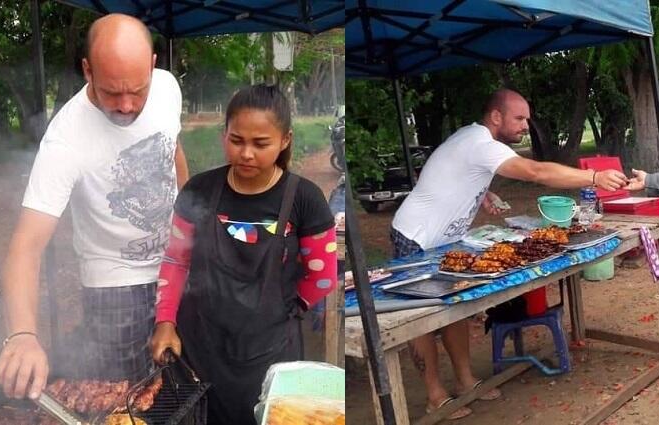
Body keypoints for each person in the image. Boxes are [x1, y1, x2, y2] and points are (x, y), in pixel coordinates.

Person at [390, 88, 628, 419]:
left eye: (527, 120)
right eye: (519, 119)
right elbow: (536, 172)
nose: (524, 126)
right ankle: (434, 394)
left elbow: (454, 167)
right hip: (415, 237)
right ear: (496, 117)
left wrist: (481, 190)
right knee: (422, 322)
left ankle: (465, 381)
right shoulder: (479, 142)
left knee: (457, 307)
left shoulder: (472, 139)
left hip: (445, 242)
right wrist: (593, 176)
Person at [0, 14, 189, 400]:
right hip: (114, 282)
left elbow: (174, 151)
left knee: (183, 382)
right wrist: (22, 334)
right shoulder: (65, 139)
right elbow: (26, 246)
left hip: (176, 264)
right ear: (87, 70)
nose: (126, 105)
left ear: (152, 66)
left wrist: (191, 227)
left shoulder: (167, 88)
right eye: (111, 92)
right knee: (121, 398)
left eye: (137, 90)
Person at [149, 84, 338, 424]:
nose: (246, 153)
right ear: (224, 136)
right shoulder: (199, 191)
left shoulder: (304, 199)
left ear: (285, 140)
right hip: (200, 348)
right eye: (237, 140)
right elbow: (177, 260)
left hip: (270, 354)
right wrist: (165, 322)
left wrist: (285, 309)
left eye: (260, 143)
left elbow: (322, 277)